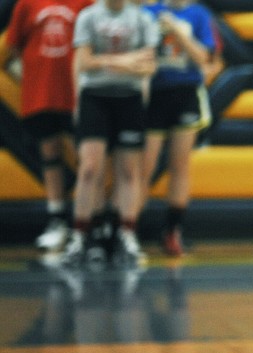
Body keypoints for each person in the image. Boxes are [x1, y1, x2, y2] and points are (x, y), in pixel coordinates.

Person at [62, 0, 160, 267]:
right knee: (90, 169)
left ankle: (126, 233)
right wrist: (129, 61)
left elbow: (149, 66)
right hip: (95, 98)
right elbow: (84, 62)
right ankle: (81, 235)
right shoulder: (88, 17)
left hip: (129, 99)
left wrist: (105, 61)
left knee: (129, 171)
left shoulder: (142, 19)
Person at [4, 0, 94, 251]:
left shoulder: (86, 3)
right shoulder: (26, 4)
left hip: (76, 94)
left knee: (88, 160)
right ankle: (57, 219)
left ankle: (87, 222)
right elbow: (12, 45)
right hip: (40, 94)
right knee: (50, 155)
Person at [139, 0, 216, 257]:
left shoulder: (198, 14)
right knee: (144, 167)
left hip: (185, 93)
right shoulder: (149, 12)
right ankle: (125, 230)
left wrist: (178, 32)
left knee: (180, 165)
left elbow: (204, 58)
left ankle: (173, 230)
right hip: (155, 94)